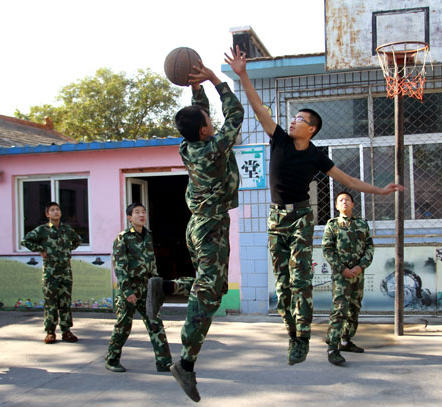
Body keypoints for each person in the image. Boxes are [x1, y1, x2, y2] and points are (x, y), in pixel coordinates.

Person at [225, 45, 403, 365]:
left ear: (312, 129)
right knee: (282, 287)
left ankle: (304, 338)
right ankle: (292, 333)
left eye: (301, 119)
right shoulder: (278, 137)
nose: (294, 121)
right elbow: (258, 109)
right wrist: (243, 74)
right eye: (294, 116)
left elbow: (348, 180)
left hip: (302, 217)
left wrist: (379, 191)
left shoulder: (315, 155)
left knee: (301, 280)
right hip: (276, 217)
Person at [167, 61, 244, 402]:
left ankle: (165, 286)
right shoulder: (213, 148)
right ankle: (185, 363)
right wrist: (216, 79)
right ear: (204, 132)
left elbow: (202, 113)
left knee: (214, 285)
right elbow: (236, 114)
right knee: (209, 295)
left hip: (198, 223)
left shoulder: (187, 147)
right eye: (208, 122)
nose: (212, 122)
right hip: (210, 226)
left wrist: (196, 86)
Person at [105, 202, 176, 373]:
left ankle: (164, 362)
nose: (141, 215)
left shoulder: (148, 235)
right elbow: (120, 267)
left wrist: (156, 285)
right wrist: (127, 291)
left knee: (155, 323)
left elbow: (152, 263)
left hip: (147, 287)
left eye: (143, 212)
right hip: (130, 288)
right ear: (129, 218)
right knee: (123, 325)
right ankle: (112, 359)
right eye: (137, 212)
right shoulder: (123, 238)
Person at [322, 192, 374, 365]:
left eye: (347, 200)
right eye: (340, 200)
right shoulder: (332, 225)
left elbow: (369, 248)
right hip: (341, 276)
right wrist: (342, 269)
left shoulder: (362, 224)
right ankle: (332, 347)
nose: (344, 202)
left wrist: (360, 267)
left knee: (354, 307)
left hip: (358, 275)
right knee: (340, 310)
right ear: (336, 206)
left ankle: (345, 341)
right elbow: (328, 250)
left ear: (353, 204)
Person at [21, 201, 82, 344]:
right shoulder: (42, 230)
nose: (56, 212)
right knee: (51, 302)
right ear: (47, 214)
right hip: (50, 272)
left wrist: (67, 250)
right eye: (52, 210)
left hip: (65, 271)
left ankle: (66, 331)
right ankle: (50, 332)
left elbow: (77, 241)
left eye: (58, 210)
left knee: (65, 302)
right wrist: (41, 250)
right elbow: (26, 241)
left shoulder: (67, 230)